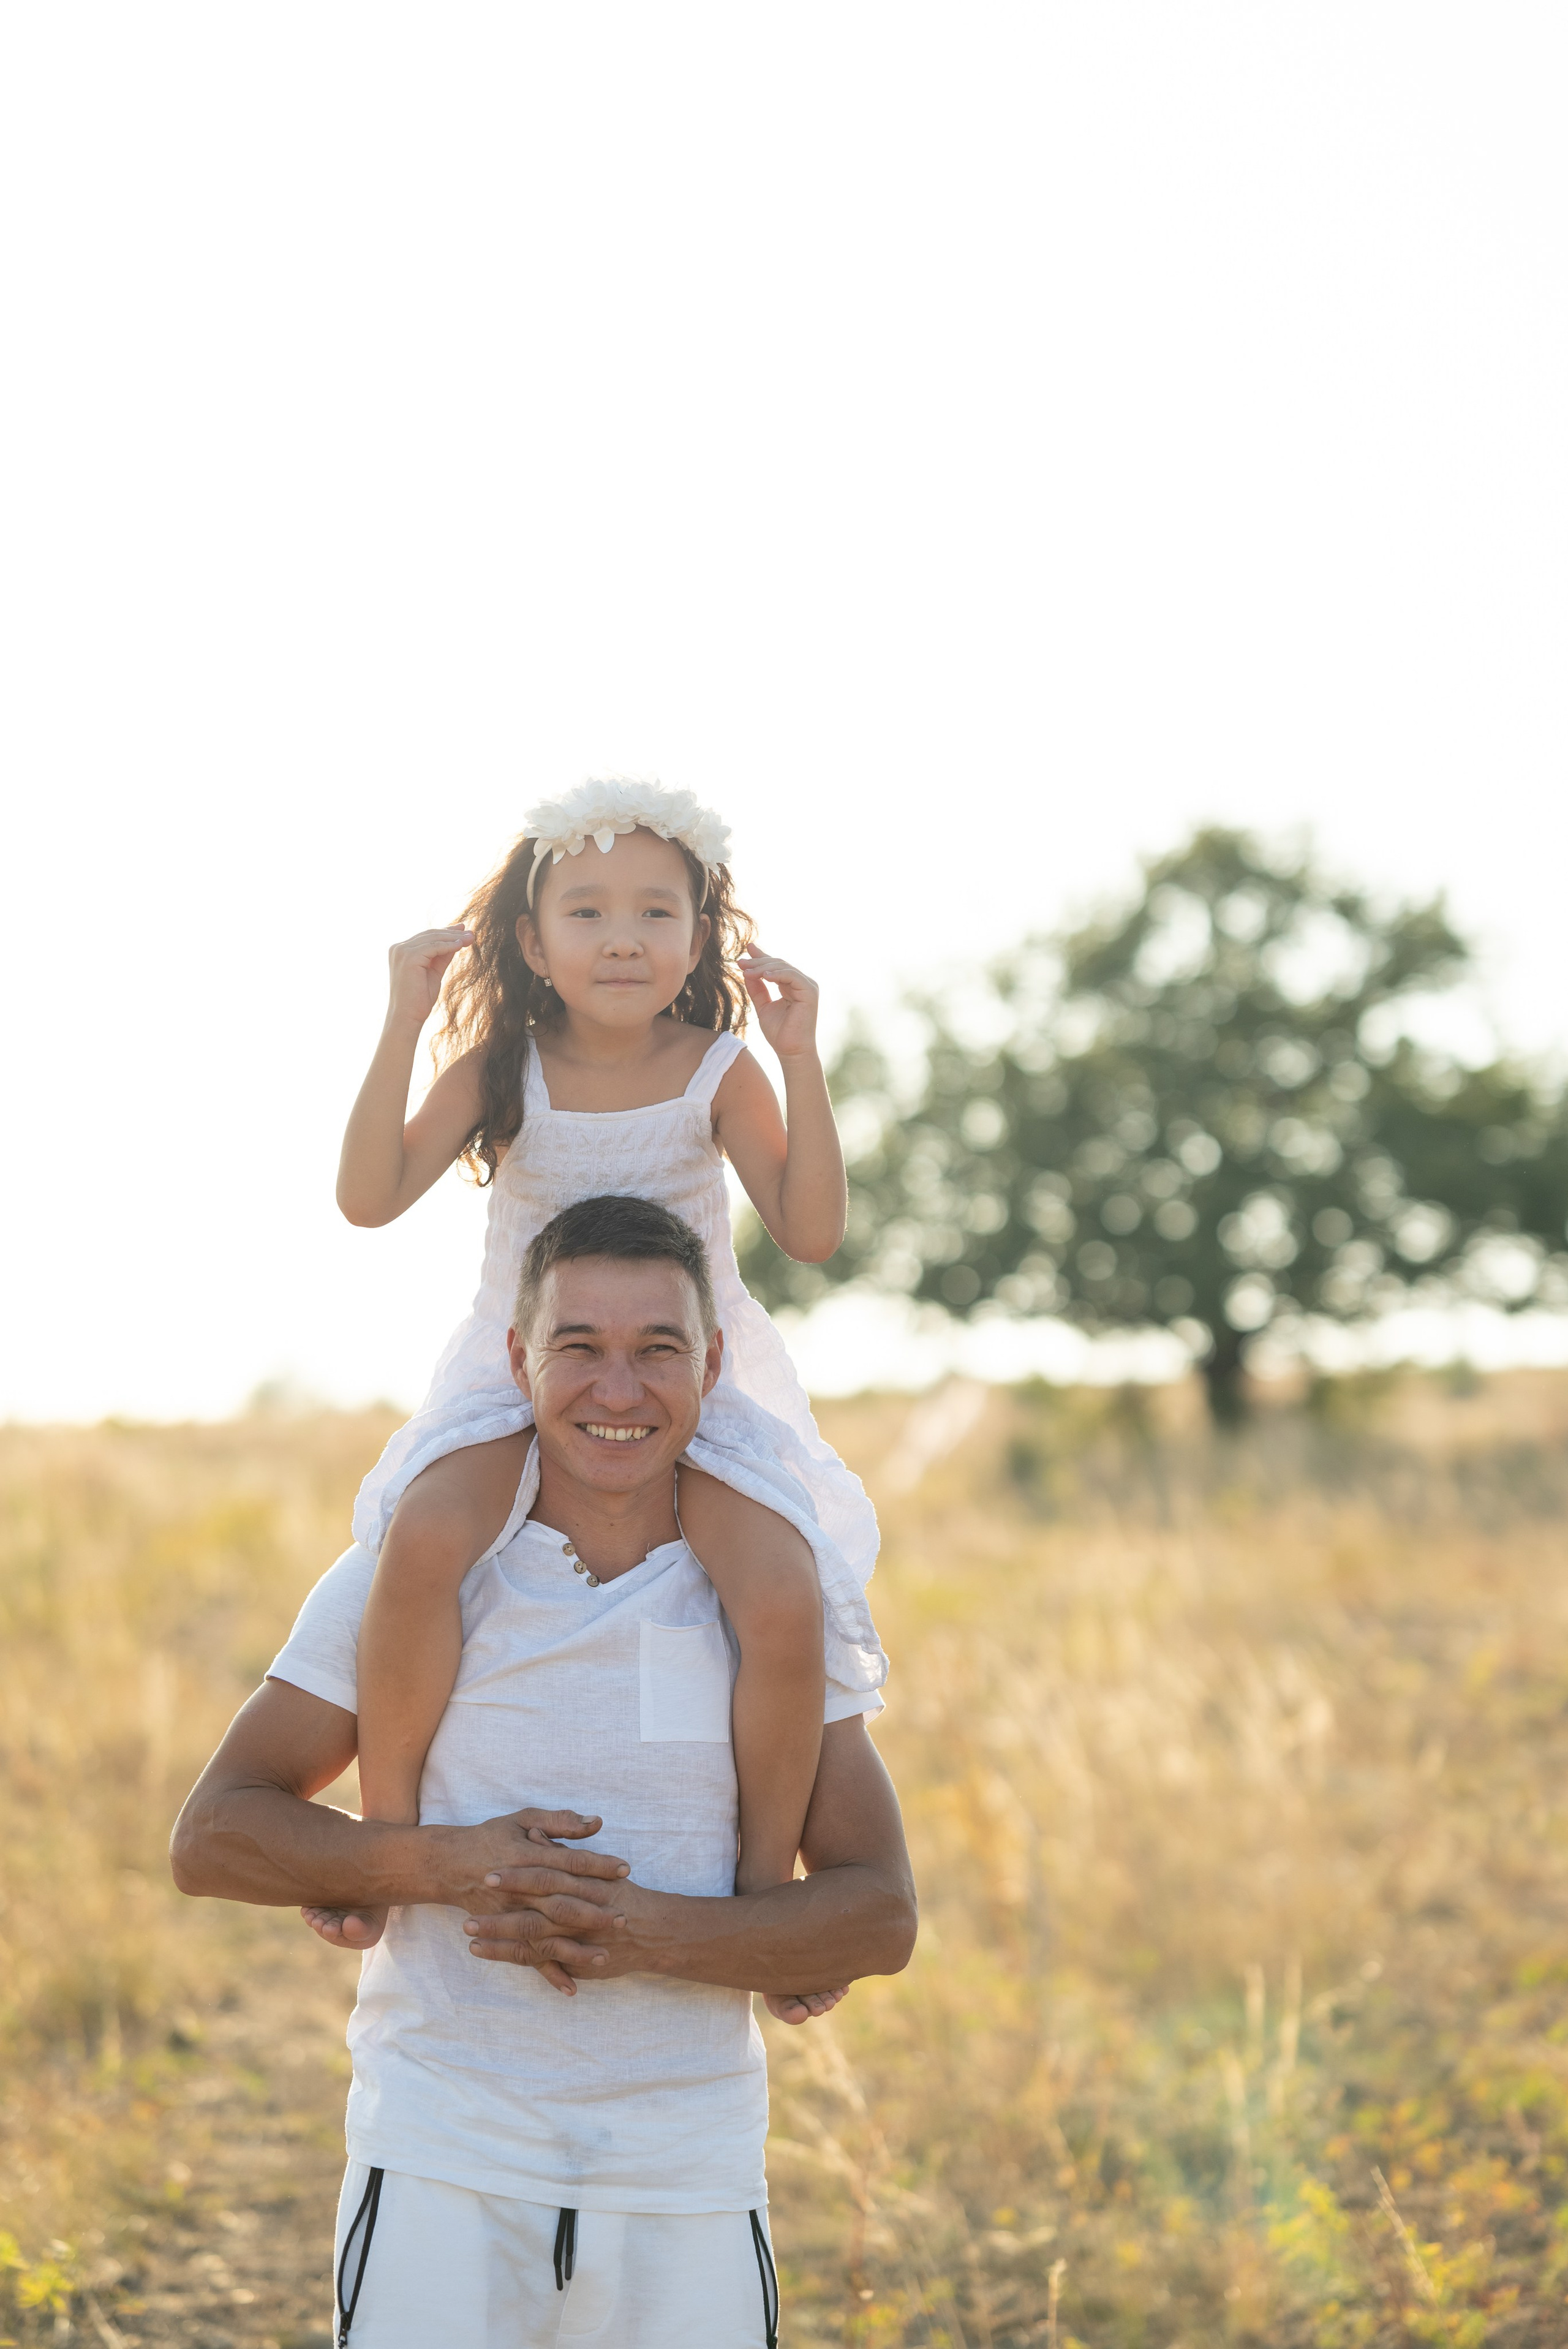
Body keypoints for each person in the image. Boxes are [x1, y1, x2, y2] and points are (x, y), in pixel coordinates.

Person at [170, 1196, 917, 2348]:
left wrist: (653, 1935)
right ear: (519, 1361)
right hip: (442, 2155)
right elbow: (213, 1836)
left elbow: (879, 1915)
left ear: (714, 1365)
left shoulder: (771, 1591)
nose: (619, 1390)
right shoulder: (409, 1570)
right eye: (579, 1347)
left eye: (657, 1349)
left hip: (688, 2176)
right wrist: (439, 1867)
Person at [320, 778, 885, 1953]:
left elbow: (811, 1231)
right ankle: (389, 1848)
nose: (622, 938)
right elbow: (368, 1199)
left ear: (700, 937)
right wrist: (402, 1023)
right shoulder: (504, 1066)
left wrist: (799, 1058)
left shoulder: (719, 1065)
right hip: (521, 1371)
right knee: (424, 1541)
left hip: (687, 1383)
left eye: (654, 912)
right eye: (586, 912)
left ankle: (757, 1891)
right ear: (532, 943)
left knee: (782, 1596)